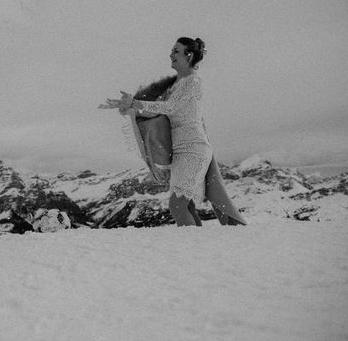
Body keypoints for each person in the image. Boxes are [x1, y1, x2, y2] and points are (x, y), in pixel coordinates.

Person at [102, 38, 245, 226]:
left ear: (189, 55)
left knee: (178, 205)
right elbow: (156, 109)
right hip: (181, 150)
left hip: (194, 148)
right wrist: (130, 107)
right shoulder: (174, 85)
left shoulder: (193, 81)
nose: (171, 54)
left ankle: (190, 247)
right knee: (186, 205)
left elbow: (170, 107)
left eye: (176, 51)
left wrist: (135, 104)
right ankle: (195, 247)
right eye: (171, 50)